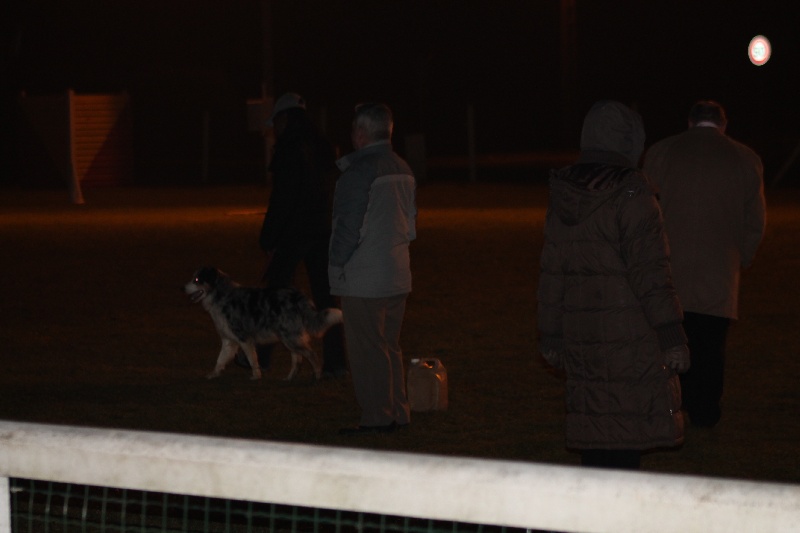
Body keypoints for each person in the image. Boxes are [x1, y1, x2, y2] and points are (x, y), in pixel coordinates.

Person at [537, 100, 690, 470]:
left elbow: (551, 273)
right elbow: (651, 273)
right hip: (629, 336)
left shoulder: (565, 195)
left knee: (595, 430)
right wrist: (671, 335)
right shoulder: (633, 193)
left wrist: (551, 335)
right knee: (624, 434)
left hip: (582, 331)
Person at [643, 100, 766, 428]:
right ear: (723, 124)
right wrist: (742, 257)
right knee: (711, 347)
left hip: (670, 270)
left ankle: (671, 406)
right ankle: (706, 412)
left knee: (671, 340)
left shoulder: (660, 152)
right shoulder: (745, 159)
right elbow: (754, 221)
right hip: (719, 272)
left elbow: (645, 212)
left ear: (689, 122)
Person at [236, 92, 347, 378]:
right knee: (325, 297)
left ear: (284, 118)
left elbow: (282, 198)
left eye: (276, 122)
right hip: (321, 230)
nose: (274, 129)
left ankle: (258, 358)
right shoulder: (322, 146)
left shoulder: (289, 148)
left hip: (293, 233)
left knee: (273, 297)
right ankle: (337, 362)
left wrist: (269, 235)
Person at [329, 103, 416, 435]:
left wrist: (336, 264)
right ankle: (398, 410)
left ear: (361, 134)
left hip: (364, 276)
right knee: (390, 345)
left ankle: (377, 417)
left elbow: (348, 227)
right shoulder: (403, 168)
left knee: (367, 349)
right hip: (397, 271)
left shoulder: (358, 173)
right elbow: (410, 225)